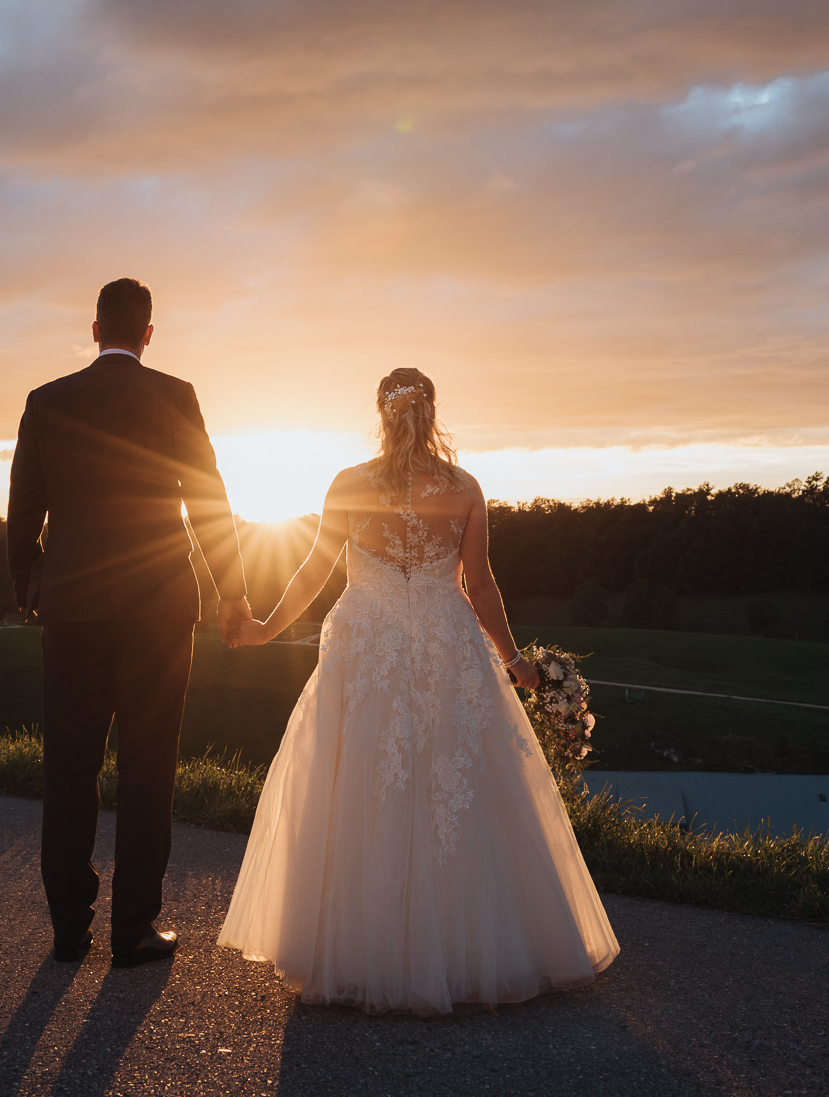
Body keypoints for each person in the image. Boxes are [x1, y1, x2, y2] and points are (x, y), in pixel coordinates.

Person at [218, 368, 618, 1014]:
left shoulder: (349, 482)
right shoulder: (463, 487)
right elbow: (480, 586)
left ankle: (352, 945)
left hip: (364, 640)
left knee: (356, 778)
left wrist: (266, 629)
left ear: (381, 413)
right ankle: (472, 946)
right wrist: (513, 659)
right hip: (443, 637)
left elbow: (314, 569)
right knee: (454, 779)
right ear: (433, 413)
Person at [7, 277, 249, 967]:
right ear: (148, 333)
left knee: (69, 767)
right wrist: (233, 590)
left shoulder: (46, 401)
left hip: (73, 607)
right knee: (148, 769)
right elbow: (207, 500)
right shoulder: (174, 396)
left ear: (94, 330)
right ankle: (133, 930)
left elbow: (23, 507)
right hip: (158, 609)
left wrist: (30, 583)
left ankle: (67, 929)